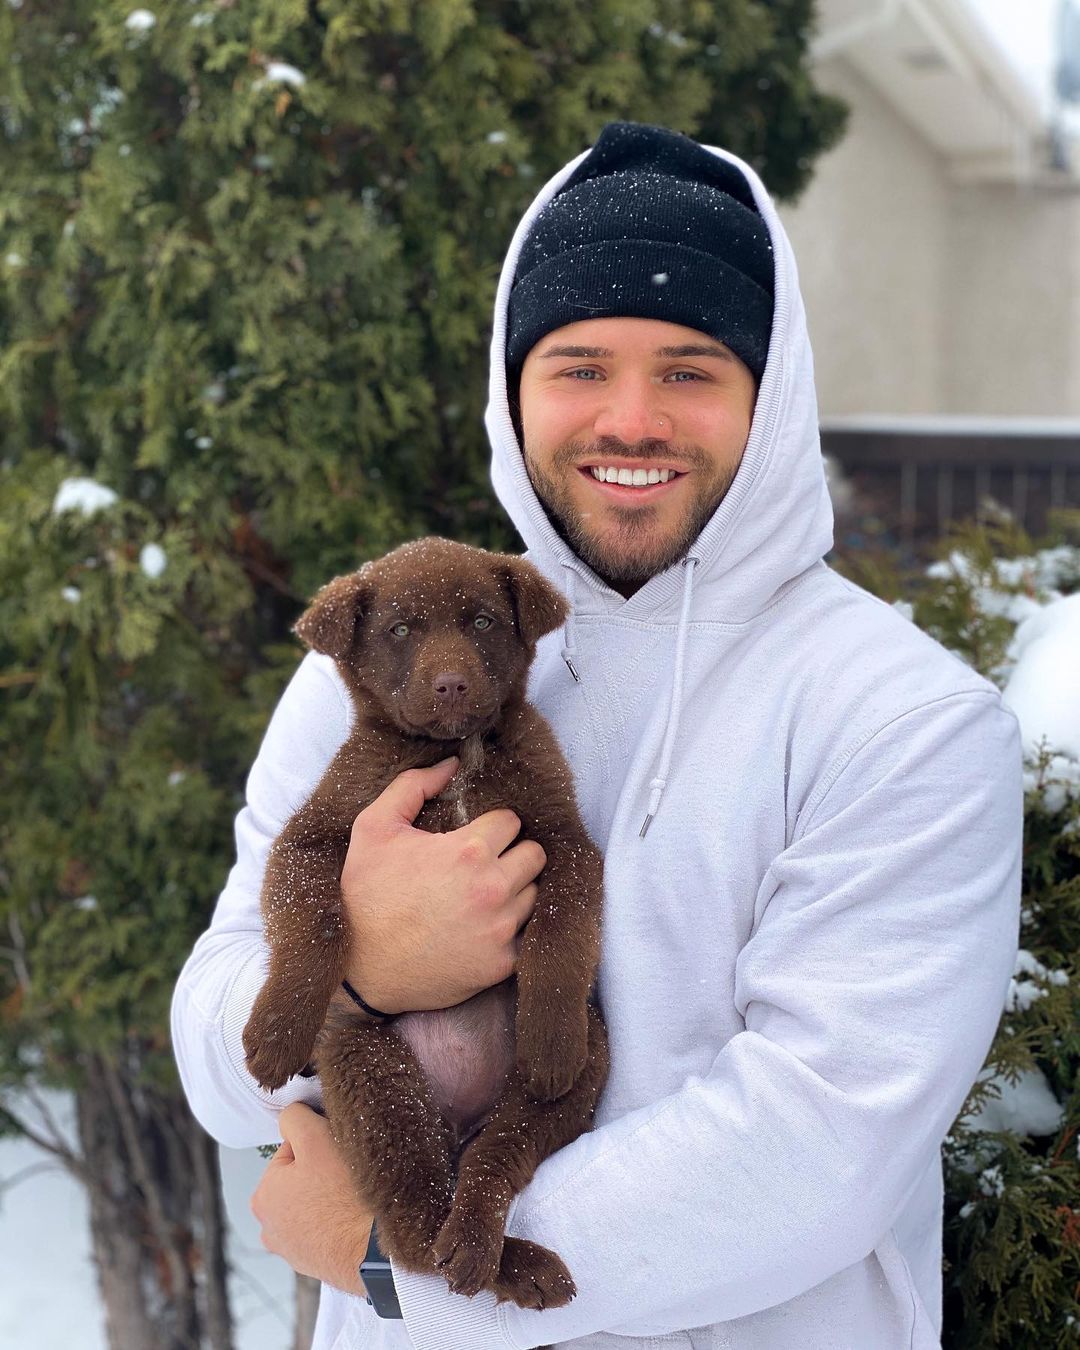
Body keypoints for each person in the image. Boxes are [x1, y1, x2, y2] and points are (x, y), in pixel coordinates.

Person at [171, 122, 1023, 1350]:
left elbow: (819, 1142)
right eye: (578, 366)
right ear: (513, 387)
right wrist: (365, 966)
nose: (632, 418)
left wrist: (401, 1258)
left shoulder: (901, 718)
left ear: (769, 397)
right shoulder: (384, 670)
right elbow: (216, 1041)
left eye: (690, 370)